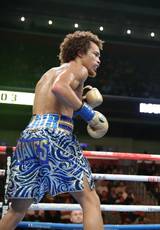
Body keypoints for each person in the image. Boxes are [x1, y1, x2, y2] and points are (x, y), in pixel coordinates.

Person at [0, 31, 108, 230]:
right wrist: (88, 114)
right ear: (79, 53)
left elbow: (55, 104)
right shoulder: (79, 69)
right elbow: (59, 88)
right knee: (90, 201)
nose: (98, 60)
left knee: (17, 209)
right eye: (95, 54)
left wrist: (81, 100)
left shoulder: (48, 74)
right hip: (55, 134)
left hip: (29, 136)